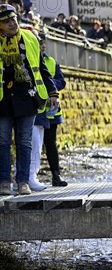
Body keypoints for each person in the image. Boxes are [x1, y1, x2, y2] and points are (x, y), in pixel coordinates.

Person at [0, 4, 59, 195]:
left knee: (24, 142)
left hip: (27, 98)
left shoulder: (30, 38)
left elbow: (42, 69)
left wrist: (53, 93)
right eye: (6, 21)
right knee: (3, 142)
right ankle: (3, 182)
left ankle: (23, 181)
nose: (12, 24)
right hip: (3, 100)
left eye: (14, 19)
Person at [29, 31, 67, 191]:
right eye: (41, 47)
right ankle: (30, 176)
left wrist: (50, 87)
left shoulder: (51, 61)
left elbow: (61, 81)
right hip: (38, 109)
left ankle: (55, 175)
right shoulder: (31, 61)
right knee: (34, 143)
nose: (43, 49)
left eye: (44, 47)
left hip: (51, 111)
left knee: (50, 144)